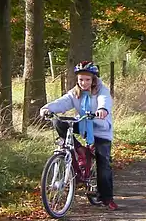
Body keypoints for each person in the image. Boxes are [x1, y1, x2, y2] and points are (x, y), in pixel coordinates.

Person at [40, 61, 118, 211]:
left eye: (87, 79)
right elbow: (62, 102)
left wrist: (102, 110)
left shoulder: (102, 91)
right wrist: (48, 108)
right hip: (83, 124)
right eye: (81, 79)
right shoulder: (75, 93)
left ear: (93, 79)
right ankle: (79, 150)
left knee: (103, 163)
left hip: (100, 128)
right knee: (58, 122)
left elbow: (104, 101)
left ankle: (107, 198)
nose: (84, 83)